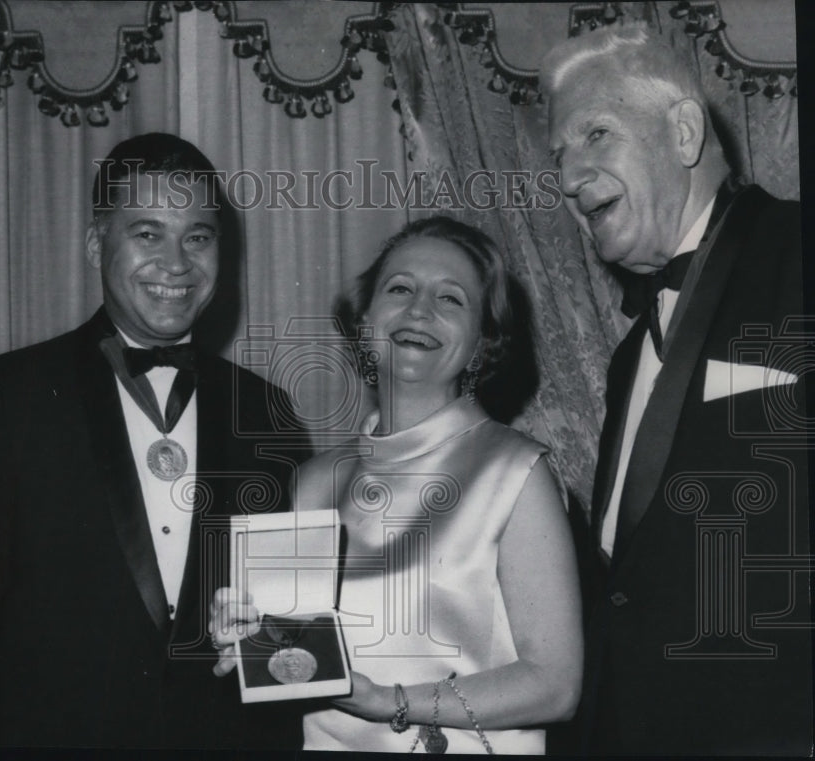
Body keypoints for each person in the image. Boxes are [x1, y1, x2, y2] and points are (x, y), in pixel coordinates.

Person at [0, 133, 310, 748]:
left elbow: (285, 625)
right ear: (97, 243)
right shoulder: (7, 393)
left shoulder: (267, 410)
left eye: (197, 236)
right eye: (148, 234)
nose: (176, 263)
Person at [211, 216, 583, 753]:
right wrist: (246, 640)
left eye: (451, 299)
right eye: (400, 288)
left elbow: (555, 686)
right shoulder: (315, 481)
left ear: (484, 342)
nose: (419, 309)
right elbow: (289, 662)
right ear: (364, 320)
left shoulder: (517, 472)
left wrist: (392, 701)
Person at [541, 23, 811, 754]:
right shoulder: (632, 353)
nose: (568, 177)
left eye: (595, 133)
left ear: (685, 131)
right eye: (559, 155)